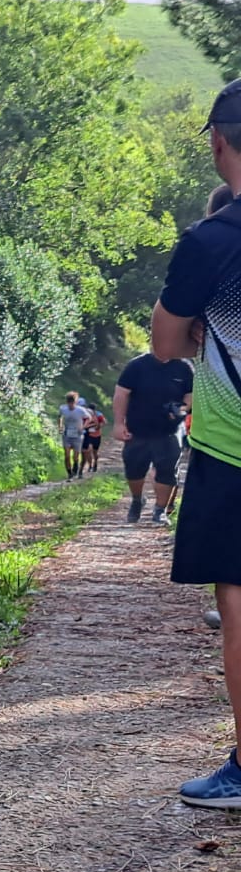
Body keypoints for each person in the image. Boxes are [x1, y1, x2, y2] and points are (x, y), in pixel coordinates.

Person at [160, 80, 241, 807]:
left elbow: (163, 342)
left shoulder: (211, 240)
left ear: (219, 142)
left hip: (232, 448)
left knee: (240, 604)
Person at [112, 352, 193, 524]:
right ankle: (136, 500)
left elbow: (190, 396)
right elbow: (121, 394)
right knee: (134, 469)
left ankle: (160, 510)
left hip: (169, 431)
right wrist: (119, 424)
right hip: (138, 430)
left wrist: (181, 409)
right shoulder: (136, 366)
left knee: (167, 470)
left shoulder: (184, 368)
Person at [58, 392, 90, 480]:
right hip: (67, 434)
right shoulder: (63, 409)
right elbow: (59, 417)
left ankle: (75, 467)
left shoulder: (80, 410)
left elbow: (89, 418)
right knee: (67, 455)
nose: (70, 405)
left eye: (72, 403)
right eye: (69, 402)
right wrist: (60, 427)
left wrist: (83, 427)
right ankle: (69, 473)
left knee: (75, 457)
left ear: (75, 402)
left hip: (77, 435)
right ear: (67, 402)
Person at [82, 402, 104, 473]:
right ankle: (90, 465)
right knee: (88, 450)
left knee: (95, 452)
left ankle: (95, 463)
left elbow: (103, 422)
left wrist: (98, 427)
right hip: (89, 435)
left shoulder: (99, 415)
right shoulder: (85, 415)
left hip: (97, 435)